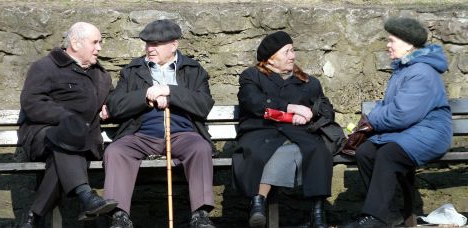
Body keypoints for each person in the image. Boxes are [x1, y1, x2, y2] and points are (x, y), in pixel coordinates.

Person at [102, 19, 216, 228]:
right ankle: (119, 216)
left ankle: (200, 215)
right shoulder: (132, 70)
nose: (150, 49)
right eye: (148, 44)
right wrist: (145, 96)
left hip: (183, 134)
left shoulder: (193, 69)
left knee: (200, 148)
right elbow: (116, 105)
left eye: (156, 44)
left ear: (173, 45)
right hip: (141, 134)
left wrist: (169, 91)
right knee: (116, 151)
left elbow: (204, 104)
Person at [341, 17, 452, 228]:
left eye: (392, 40)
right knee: (365, 152)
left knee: (388, 153)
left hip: (431, 133)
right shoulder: (403, 69)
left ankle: (376, 218)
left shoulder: (421, 72)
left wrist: (370, 120)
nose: (387, 45)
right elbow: (389, 106)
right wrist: (373, 121)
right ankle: (390, 214)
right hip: (410, 131)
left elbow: (402, 113)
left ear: (409, 44)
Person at [232, 31, 337, 228]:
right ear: (270, 60)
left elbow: (326, 110)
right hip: (260, 131)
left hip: (298, 135)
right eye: (287, 51)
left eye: (292, 50)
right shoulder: (252, 76)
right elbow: (252, 101)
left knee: (318, 151)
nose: (293, 56)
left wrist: (310, 114)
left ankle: (317, 215)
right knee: (260, 152)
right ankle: (257, 204)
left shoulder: (308, 82)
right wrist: (289, 108)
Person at [18, 22, 117, 227]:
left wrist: (111, 107)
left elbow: (114, 99)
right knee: (65, 137)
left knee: (63, 151)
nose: (99, 48)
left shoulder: (101, 75)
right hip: (42, 136)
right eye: (95, 42)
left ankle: (34, 217)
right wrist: (65, 118)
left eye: (100, 42)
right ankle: (85, 194)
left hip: (84, 142)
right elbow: (32, 102)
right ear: (75, 43)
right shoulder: (45, 67)